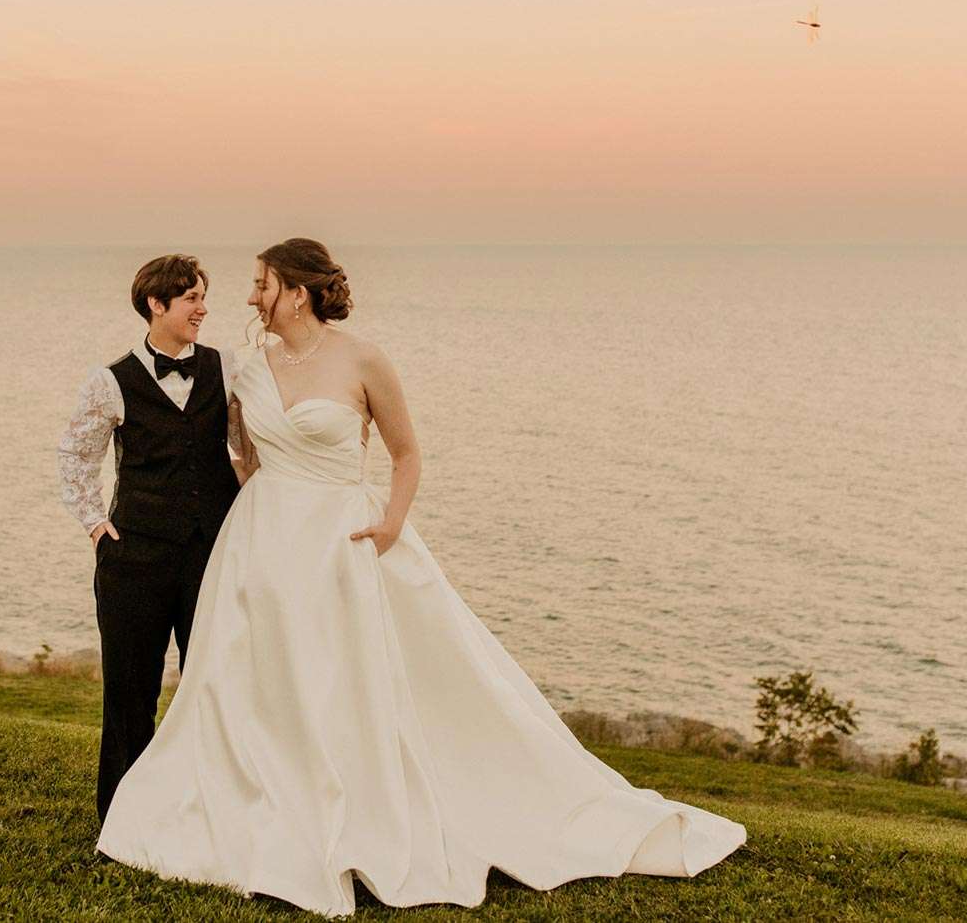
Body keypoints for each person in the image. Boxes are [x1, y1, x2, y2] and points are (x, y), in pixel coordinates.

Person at [95, 238, 745, 916]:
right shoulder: (249, 368)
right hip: (261, 545)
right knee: (252, 684)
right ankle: (258, 803)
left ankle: (359, 808)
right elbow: (240, 457)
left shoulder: (363, 358)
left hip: (346, 538)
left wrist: (391, 524)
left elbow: (405, 454)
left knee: (350, 680)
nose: (250, 295)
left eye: (261, 282)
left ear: (295, 290)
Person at [55, 253, 245, 822]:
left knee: (210, 686)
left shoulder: (226, 368)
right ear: (155, 305)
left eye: (202, 297)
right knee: (129, 691)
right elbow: (74, 458)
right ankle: (122, 817)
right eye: (190, 298)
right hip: (133, 558)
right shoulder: (110, 381)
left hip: (211, 553)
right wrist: (96, 526)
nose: (203, 308)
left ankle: (206, 812)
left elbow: (243, 449)